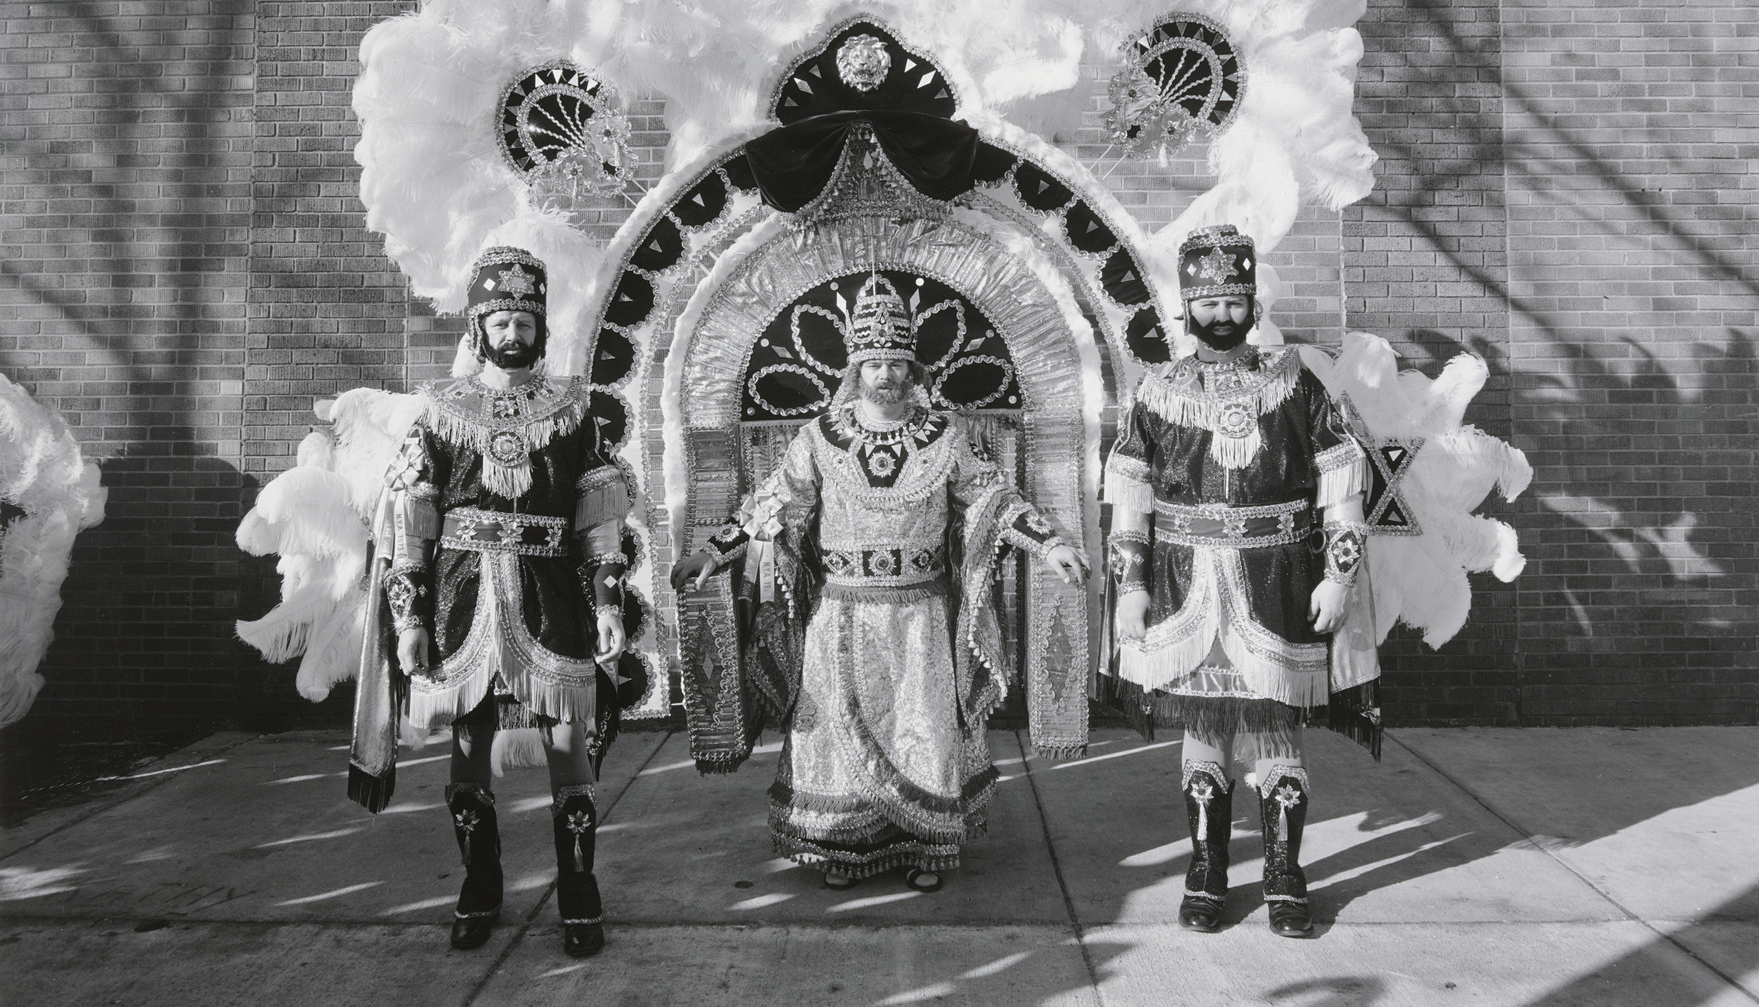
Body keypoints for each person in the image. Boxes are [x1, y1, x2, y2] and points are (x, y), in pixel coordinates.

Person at [671, 274, 1089, 891]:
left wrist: (1050, 543)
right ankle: (840, 847)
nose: (886, 375)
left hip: (920, 613)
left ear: (912, 369)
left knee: (921, 726)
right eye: (873, 363)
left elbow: (992, 497)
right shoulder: (819, 438)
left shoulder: (943, 436)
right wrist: (714, 552)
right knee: (837, 728)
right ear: (854, 369)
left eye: (896, 363)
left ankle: (926, 845)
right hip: (841, 611)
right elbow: (772, 504)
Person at [350, 246, 634, 957]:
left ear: (540, 326)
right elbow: (412, 520)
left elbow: (597, 515)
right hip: (461, 593)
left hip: (550, 595)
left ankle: (578, 885)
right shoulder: (441, 411)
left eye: (524, 320)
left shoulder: (574, 408)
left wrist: (606, 602)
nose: (513, 333)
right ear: (478, 326)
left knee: (569, 741)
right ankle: (480, 882)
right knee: (469, 742)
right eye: (500, 320)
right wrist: (409, 617)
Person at [1101, 224, 1376, 938]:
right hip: (1181, 583)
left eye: (1234, 301)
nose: (1221, 315)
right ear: (1185, 308)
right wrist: (1129, 587)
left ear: (1252, 303)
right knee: (1205, 729)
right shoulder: (1156, 390)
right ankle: (1207, 868)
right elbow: (1130, 501)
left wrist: (1339, 579)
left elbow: (1343, 489)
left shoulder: (1296, 381)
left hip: (1278, 582)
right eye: (1208, 302)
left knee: (1277, 728)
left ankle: (1285, 872)